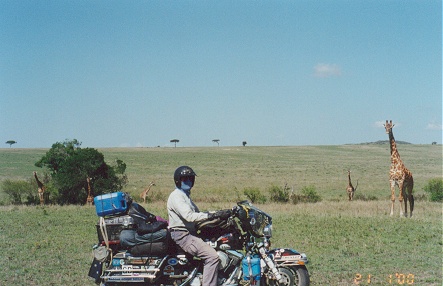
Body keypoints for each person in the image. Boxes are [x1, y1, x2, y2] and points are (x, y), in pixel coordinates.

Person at [167, 166, 231, 286]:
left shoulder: (185, 196)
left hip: (189, 233)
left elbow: (199, 214)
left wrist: (220, 213)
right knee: (212, 256)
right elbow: (190, 216)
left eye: (190, 178)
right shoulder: (177, 196)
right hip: (183, 235)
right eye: (185, 178)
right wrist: (212, 215)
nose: (188, 181)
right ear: (178, 180)